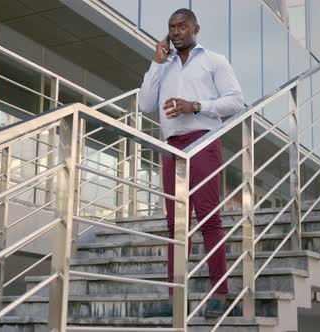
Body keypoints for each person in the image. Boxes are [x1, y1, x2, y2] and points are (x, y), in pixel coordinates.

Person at [138, 8, 245, 318]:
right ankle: (175, 298)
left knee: (209, 218)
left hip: (203, 141)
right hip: (172, 147)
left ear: (195, 28)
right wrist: (156, 62)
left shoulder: (214, 60)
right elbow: (145, 105)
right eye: (172, 27)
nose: (176, 31)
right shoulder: (164, 65)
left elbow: (236, 101)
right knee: (175, 226)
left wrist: (195, 106)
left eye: (182, 26)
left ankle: (219, 294)